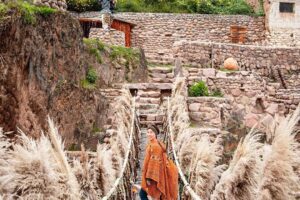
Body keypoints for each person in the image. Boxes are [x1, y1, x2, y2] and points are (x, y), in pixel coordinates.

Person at [139, 124, 178, 200]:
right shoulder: (153, 143)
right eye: (148, 132)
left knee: (143, 193)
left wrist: (149, 178)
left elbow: (154, 163)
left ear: (155, 134)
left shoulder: (155, 146)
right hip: (158, 175)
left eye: (151, 132)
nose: (149, 134)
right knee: (157, 196)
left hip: (153, 176)